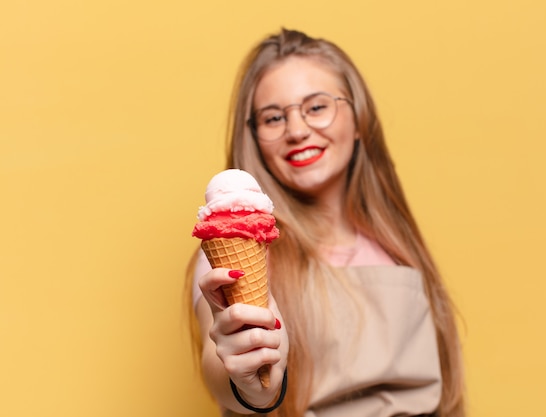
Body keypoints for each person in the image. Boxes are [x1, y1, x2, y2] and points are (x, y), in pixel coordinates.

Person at [185, 28, 465, 417]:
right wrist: (252, 383)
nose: (297, 131)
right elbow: (223, 370)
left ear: (359, 119)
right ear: (254, 138)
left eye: (317, 107)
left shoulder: (394, 243)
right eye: (273, 117)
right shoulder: (240, 251)